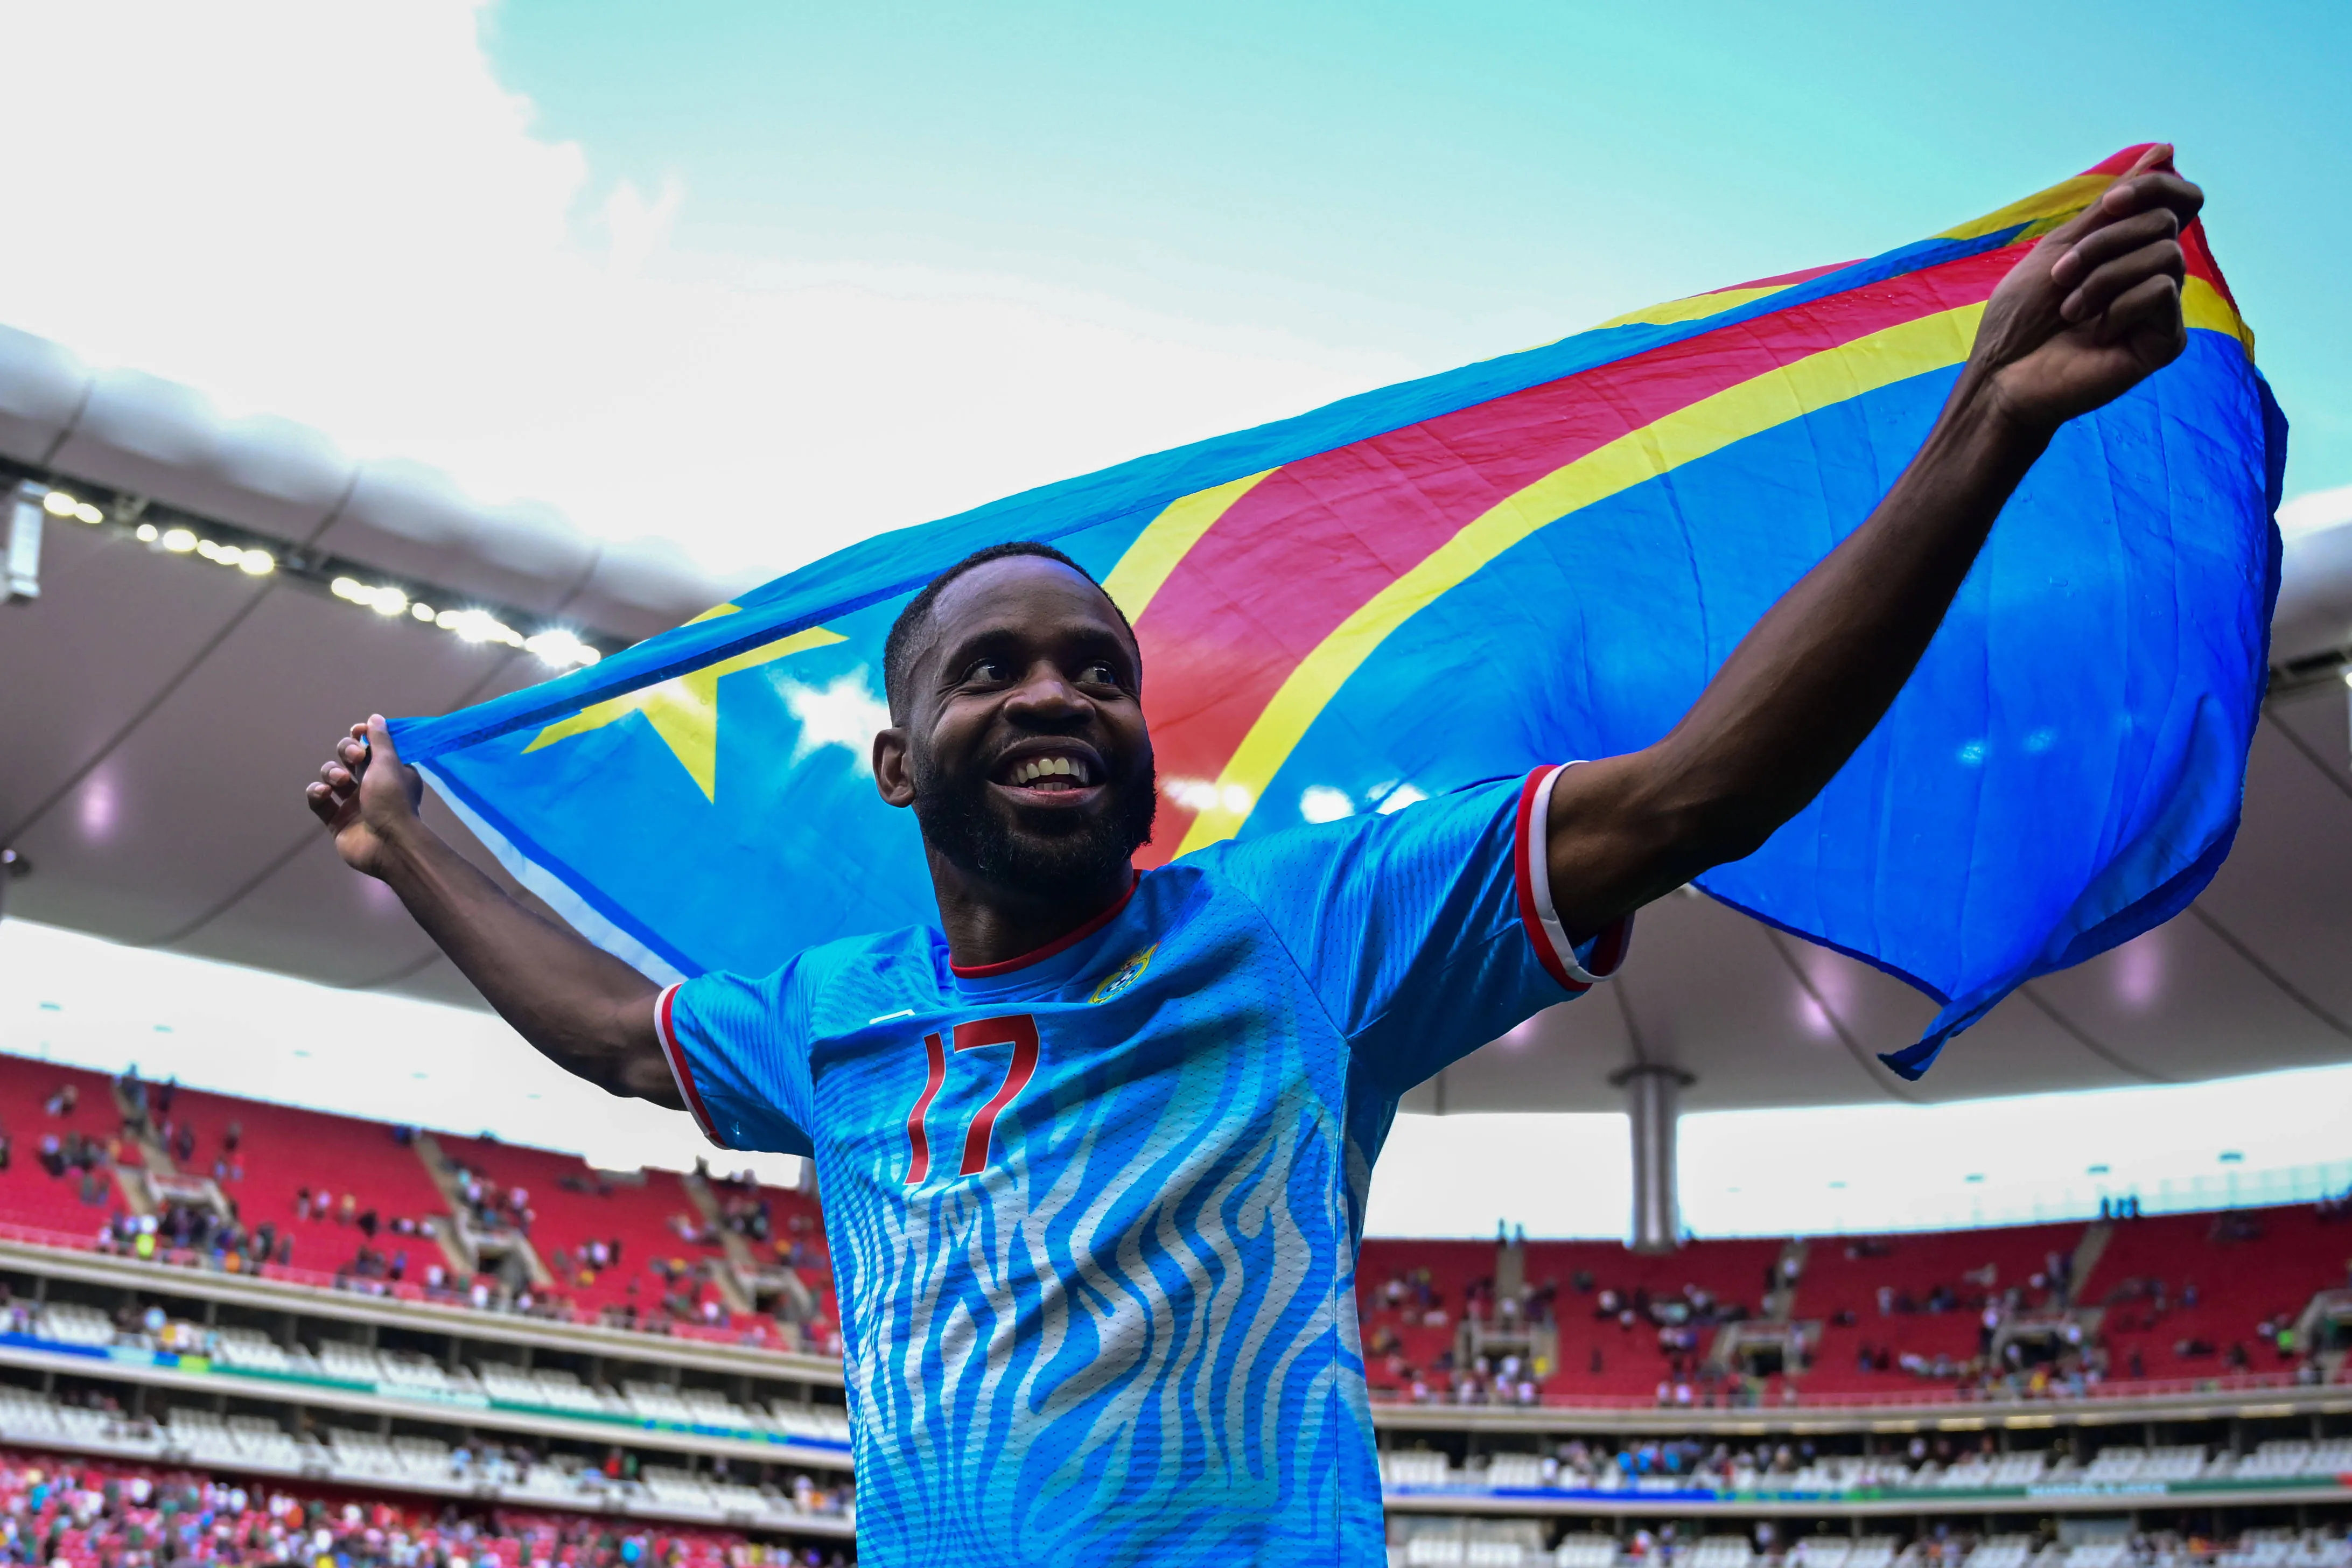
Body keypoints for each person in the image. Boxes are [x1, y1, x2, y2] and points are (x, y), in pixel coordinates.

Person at [304, 152, 2206, 1565]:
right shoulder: (830, 1020)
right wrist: (409, 852)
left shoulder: (1310, 934)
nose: (1058, 694)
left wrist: (1982, 426)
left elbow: (1695, 791)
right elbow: (618, 1034)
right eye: (994, 671)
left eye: (1099, 672)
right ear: (894, 762)